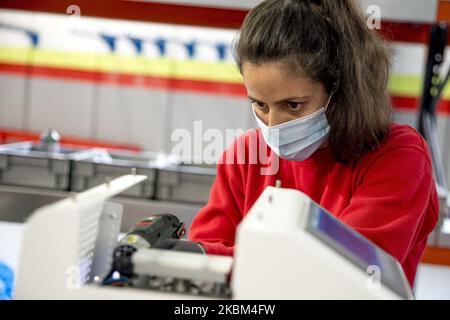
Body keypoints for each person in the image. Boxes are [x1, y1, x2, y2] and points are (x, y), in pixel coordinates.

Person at [186, 0, 439, 288]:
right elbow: (202, 261)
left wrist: (220, 260)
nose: (274, 125)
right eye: (260, 105)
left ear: (341, 90)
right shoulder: (246, 156)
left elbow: (343, 272)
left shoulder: (398, 156)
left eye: (292, 105)